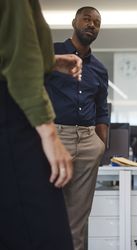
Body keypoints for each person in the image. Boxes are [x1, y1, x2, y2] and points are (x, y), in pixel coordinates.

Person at [0, 1, 83, 249]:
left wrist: (49, 60)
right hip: (13, 116)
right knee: (45, 234)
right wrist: (50, 135)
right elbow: (20, 61)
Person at [44, 6, 109, 250]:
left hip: (88, 141)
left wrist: (101, 146)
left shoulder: (100, 69)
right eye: (87, 19)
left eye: (97, 22)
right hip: (56, 139)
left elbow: (102, 109)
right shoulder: (51, 54)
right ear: (74, 22)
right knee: (47, 210)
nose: (92, 24)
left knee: (78, 218)